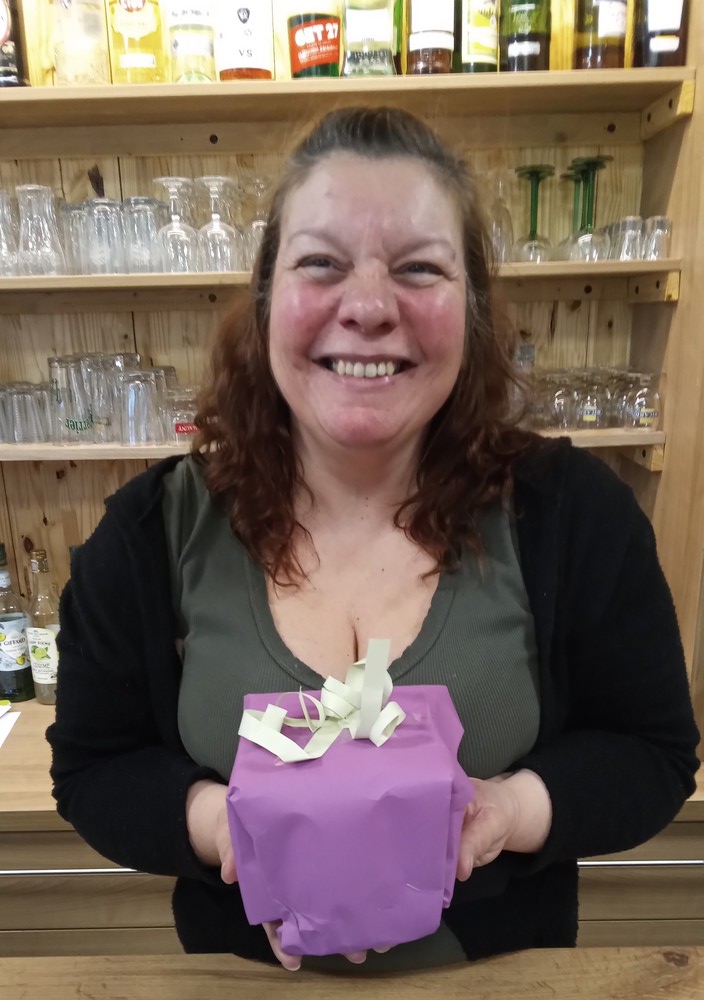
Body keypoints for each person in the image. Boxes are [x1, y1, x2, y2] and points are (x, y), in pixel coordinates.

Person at [48, 107, 700, 972]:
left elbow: (652, 754)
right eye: (321, 263)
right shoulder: (148, 533)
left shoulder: (574, 515)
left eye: (419, 268)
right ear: (265, 297)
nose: (366, 307)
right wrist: (224, 826)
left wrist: (509, 810)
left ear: (472, 309)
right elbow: (93, 768)